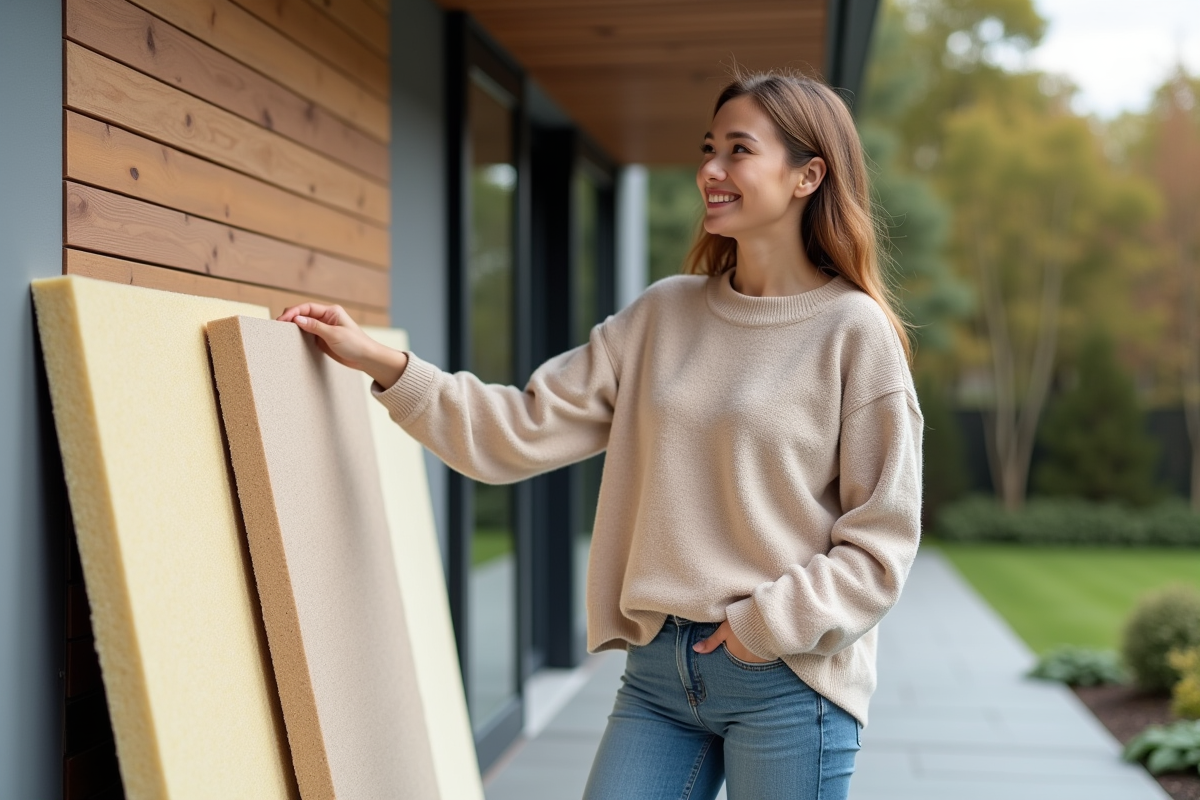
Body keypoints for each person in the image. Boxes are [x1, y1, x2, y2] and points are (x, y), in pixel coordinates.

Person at [278, 70, 924, 800]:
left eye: (738, 150)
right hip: (658, 675)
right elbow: (517, 430)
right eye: (709, 148)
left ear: (809, 174)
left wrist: (764, 628)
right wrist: (388, 366)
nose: (710, 169)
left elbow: (881, 544)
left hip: (786, 677)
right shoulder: (662, 315)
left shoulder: (854, 332)